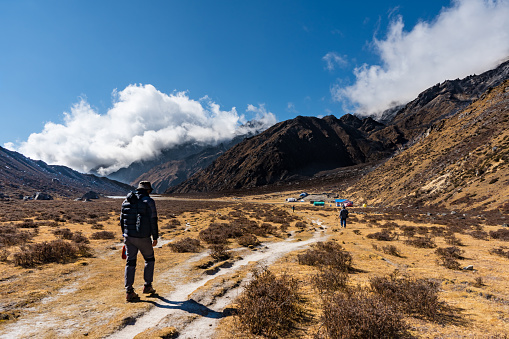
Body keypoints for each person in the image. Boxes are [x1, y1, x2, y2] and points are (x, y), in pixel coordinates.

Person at [120, 181, 159, 302]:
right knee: (149, 259)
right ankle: (147, 285)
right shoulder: (149, 201)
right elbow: (153, 220)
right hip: (143, 237)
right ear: (148, 191)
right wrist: (155, 237)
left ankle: (129, 291)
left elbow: (122, 220)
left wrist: (125, 235)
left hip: (129, 237)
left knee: (130, 262)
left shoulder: (126, 201)